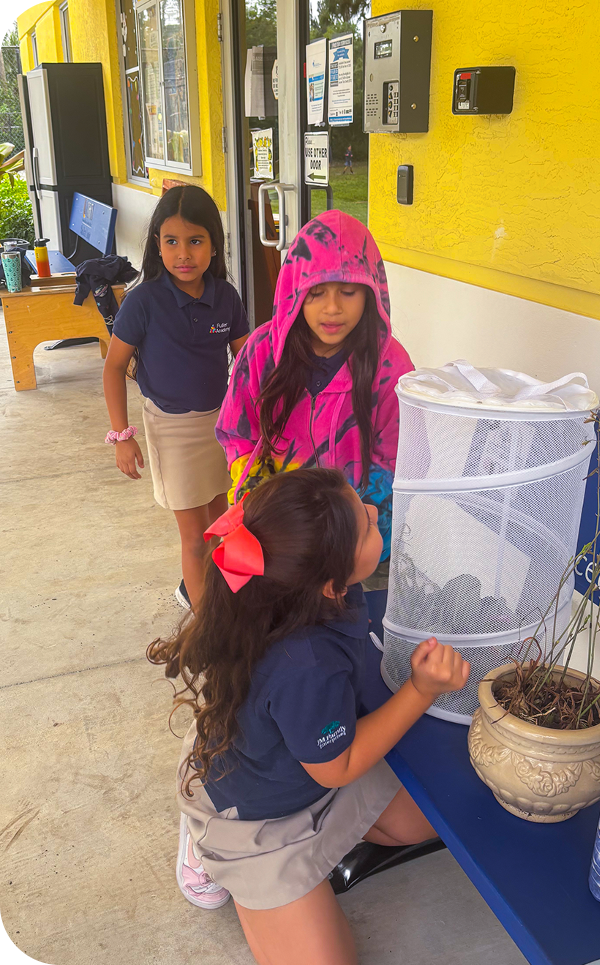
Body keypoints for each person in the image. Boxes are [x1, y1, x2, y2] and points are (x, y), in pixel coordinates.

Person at [148, 467, 470, 963]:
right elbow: (336, 766)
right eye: (364, 525)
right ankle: (215, 853)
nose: (370, 511)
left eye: (359, 506)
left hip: (303, 773)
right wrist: (421, 690)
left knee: (433, 821)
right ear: (328, 583)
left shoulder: (291, 592)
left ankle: (304, 873)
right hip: (257, 820)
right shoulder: (305, 665)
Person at [215, 209, 413, 562]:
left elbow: (396, 457)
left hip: (357, 539)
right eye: (316, 293)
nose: (333, 308)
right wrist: (254, 498)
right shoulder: (262, 352)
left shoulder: (390, 366)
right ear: (294, 293)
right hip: (279, 535)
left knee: (354, 616)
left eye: (349, 291)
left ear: (371, 292)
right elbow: (237, 431)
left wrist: (359, 528)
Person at [103, 185, 249, 609]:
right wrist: (121, 435)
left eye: (196, 241)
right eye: (172, 242)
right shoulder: (143, 303)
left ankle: (231, 607)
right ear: (158, 245)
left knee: (226, 522)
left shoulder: (226, 298)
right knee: (194, 539)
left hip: (221, 427)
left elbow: (247, 362)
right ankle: (205, 627)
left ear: (215, 247)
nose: (184, 253)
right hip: (172, 432)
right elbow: (114, 368)